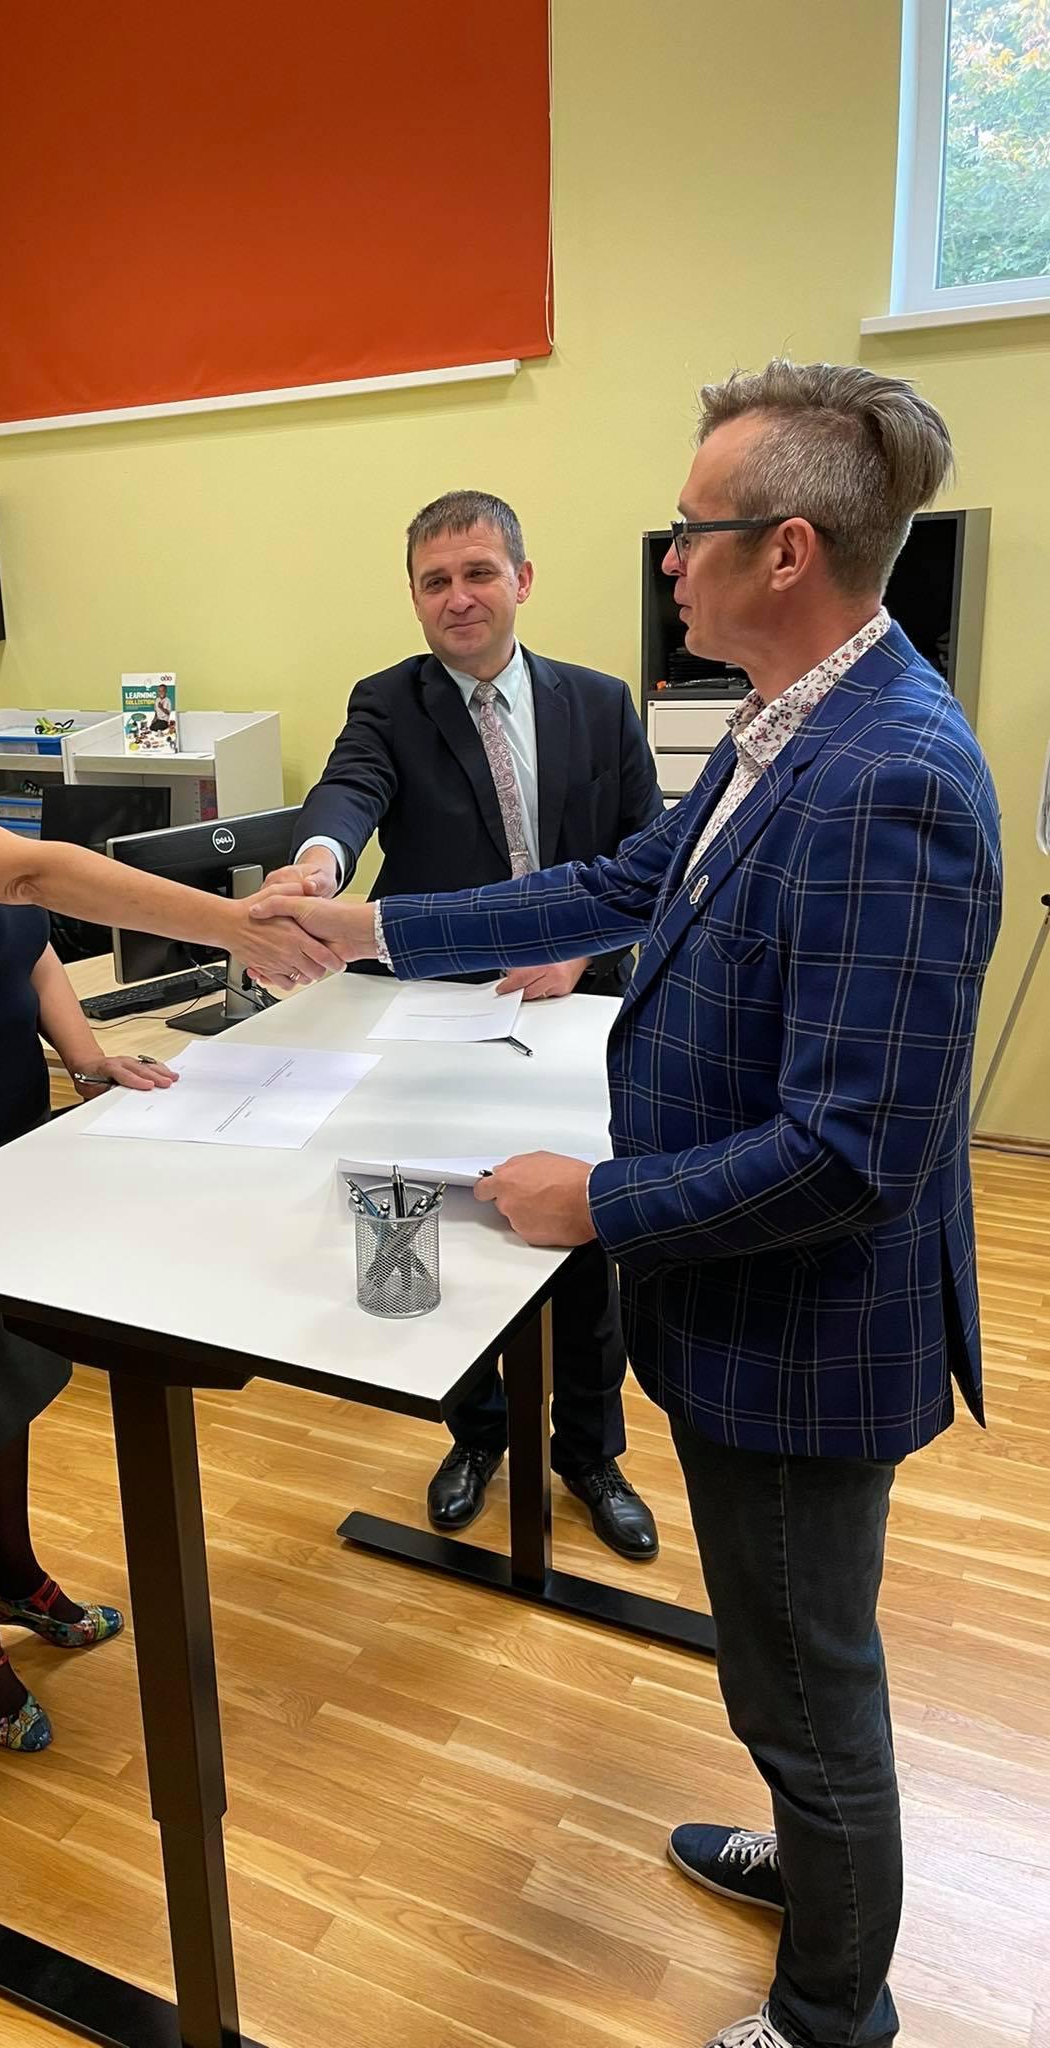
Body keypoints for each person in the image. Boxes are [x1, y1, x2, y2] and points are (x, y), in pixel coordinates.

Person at [255, 363, 1003, 2048]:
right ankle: (813, 1861)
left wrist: (597, 1201)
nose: (668, 557)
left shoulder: (889, 774)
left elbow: (851, 1153)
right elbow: (613, 885)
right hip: (744, 1299)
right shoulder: (785, 721)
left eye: (692, 527)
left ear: (787, 549)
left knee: (808, 1679)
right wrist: (371, 929)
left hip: (808, 1326)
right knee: (776, 1660)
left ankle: (829, 2011)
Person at [0, 542, 336, 1756]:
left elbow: (20, 927)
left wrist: (85, 1057)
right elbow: (34, 870)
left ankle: (16, 1572)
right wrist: (234, 922)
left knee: (6, 1373)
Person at [267, 490, 664, 1560]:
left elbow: (648, 851)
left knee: (581, 1235)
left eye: (479, 572)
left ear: (521, 580)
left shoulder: (599, 702)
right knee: (452, 1217)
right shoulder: (388, 702)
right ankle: (478, 1433)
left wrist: (578, 947)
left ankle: (590, 1452)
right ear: (414, 597)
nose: (458, 597)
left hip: (575, 1006)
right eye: (435, 580)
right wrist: (319, 865)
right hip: (441, 1014)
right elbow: (347, 792)